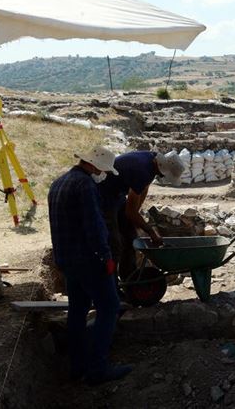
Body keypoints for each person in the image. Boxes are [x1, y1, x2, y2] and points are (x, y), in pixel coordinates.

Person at [48, 145, 132, 385]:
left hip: (67, 259)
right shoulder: (85, 186)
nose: (102, 174)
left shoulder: (58, 183)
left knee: (77, 311)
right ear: (94, 165)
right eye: (102, 169)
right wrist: (106, 258)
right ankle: (98, 368)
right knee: (109, 308)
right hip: (89, 260)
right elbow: (94, 226)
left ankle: (77, 366)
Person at [98, 151, 185, 280]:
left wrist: (135, 216)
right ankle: (111, 285)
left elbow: (143, 190)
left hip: (117, 194)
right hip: (103, 196)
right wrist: (151, 232)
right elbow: (130, 212)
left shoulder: (151, 161)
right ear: (164, 169)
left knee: (131, 236)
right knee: (114, 244)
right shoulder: (142, 171)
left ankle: (129, 279)